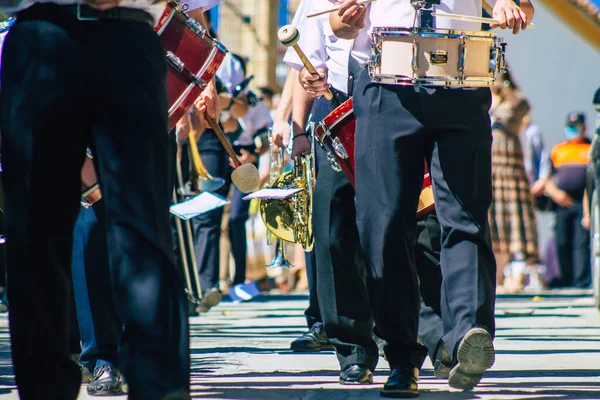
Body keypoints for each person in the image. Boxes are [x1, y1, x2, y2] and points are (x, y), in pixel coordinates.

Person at [0, 1, 220, 399]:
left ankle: (159, 388)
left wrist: (207, 81)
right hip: (40, 32)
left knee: (144, 233)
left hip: (128, 32)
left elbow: (194, 9)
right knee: (35, 235)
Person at [330, 0, 534, 396]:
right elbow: (338, 25)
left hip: (462, 80)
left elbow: (522, 7)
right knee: (383, 224)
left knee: (465, 216)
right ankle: (403, 356)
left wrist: (511, 3)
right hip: (386, 86)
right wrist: (347, 18)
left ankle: (467, 336)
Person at [489, 95, 541, 293]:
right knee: (494, 225)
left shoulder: (515, 101)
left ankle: (516, 272)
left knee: (515, 224)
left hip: (510, 170)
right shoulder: (481, 96)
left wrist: (504, 92)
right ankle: (499, 276)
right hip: (491, 170)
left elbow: (518, 112)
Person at [545, 112, 591, 288]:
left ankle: (580, 282)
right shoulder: (558, 150)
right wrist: (555, 193)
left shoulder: (590, 148)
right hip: (562, 203)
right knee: (562, 241)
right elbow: (548, 176)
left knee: (581, 243)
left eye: (576, 126)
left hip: (582, 202)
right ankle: (565, 279)